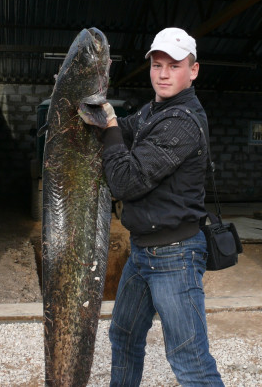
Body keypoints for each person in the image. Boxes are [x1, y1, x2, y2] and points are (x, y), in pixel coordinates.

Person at [79, 27, 224, 386]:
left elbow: (125, 180)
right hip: (144, 252)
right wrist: (102, 114)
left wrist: (109, 124)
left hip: (175, 256)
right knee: (124, 336)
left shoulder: (182, 122)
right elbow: (129, 128)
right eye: (157, 65)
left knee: (189, 360)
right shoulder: (155, 111)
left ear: (193, 70)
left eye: (173, 66)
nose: (162, 74)